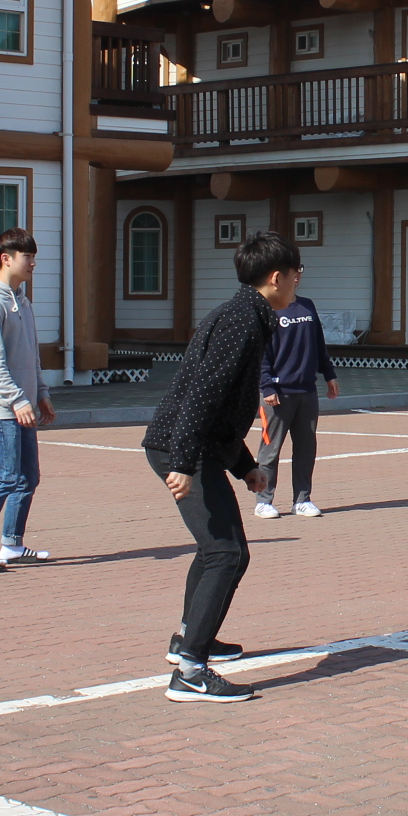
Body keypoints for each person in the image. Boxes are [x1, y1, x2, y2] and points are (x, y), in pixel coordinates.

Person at [143, 231, 297, 703]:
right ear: (276, 278)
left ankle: (189, 638)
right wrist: (183, 463)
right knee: (226, 553)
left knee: (219, 550)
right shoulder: (241, 321)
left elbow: (223, 407)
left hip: (195, 447)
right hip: (183, 449)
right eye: (296, 273)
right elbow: (202, 396)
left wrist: (245, 465)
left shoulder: (247, 315)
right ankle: (190, 671)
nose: (298, 281)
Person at [0, 228, 55, 572]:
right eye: (27, 257)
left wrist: (41, 395)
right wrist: (18, 400)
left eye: (33, 257)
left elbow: (32, 356)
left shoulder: (23, 302)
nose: (33, 263)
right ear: (6, 259)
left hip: (24, 408)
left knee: (28, 478)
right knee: (5, 477)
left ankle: (12, 545)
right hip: (0, 409)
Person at [253, 278, 339, 519]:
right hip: (277, 393)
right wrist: (267, 386)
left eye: (299, 271)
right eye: (291, 272)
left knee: (305, 448)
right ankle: (264, 501)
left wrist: (329, 374)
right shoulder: (266, 309)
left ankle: (302, 500)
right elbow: (260, 352)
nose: (296, 277)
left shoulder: (307, 305)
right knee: (270, 449)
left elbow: (318, 343)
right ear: (276, 278)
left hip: (306, 390)